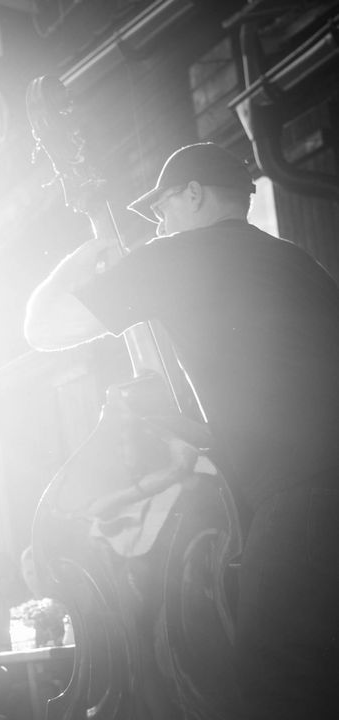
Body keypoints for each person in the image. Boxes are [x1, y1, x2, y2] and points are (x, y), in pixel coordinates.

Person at [24, 141, 339, 718]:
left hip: (301, 501)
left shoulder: (178, 255)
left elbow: (44, 326)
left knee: (280, 680)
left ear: (193, 195)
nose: (160, 224)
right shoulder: (299, 262)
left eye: (163, 208)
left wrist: (91, 254)